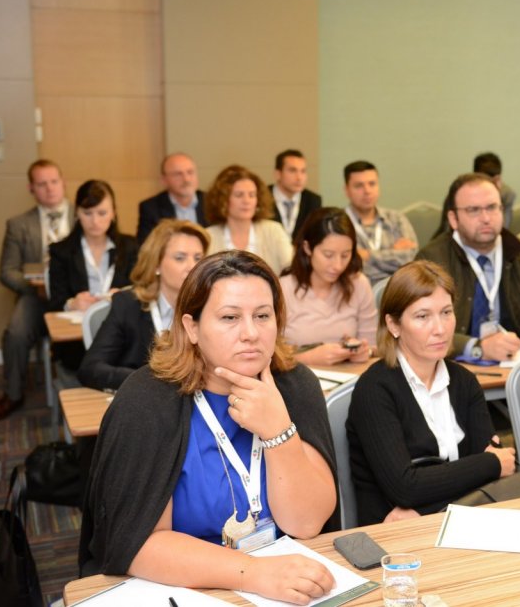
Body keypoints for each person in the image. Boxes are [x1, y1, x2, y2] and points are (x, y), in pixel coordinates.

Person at [79, 250, 338, 602]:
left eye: (263, 316)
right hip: (182, 588)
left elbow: (306, 524)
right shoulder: (147, 401)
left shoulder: (294, 385)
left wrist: (278, 431)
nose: (251, 333)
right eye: (230, 317)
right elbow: (137, 544)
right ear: (192, 327)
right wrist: (253, 573)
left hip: (284, 580)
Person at [346, 260, 517, 525]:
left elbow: (498, 474)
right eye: (422, 316)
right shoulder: (375, 389)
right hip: (391, 534)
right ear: (393, 325)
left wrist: (425, 505)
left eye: (446, 312)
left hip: (459, 522)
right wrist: (487, 464)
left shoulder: (464, 381)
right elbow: (405, 488)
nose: (440, 329)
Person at [417, 173, 520, 362]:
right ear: (453, 219)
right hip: (455, 365)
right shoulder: (432, 260)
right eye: (473, 210)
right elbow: (423, 327)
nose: (486, 218)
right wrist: (477, 347)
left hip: (516, 360)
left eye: (492, 207)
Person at [80, 220, 209, 390]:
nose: (192, 267)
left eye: (198, 258)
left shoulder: (211, 307)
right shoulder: (128, 305)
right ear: (156, 264)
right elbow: (91, 369)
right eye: (180, 258)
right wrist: (150, 381)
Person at [0, 160, 72, 422]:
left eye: (54, 182)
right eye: (42, 184)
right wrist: (35, 288)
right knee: (15, 333)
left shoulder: (85, 216)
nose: (50, 188)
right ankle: (13, 394)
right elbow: (7, 272)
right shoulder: (18, 225)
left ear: (63, 182)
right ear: (31, 188)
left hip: (76, 295)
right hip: (36, 297)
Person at [48, 180, 139, 374]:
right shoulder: (60, 251)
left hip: (122, 334)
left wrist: (123, 296)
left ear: (113, 213)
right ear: (77, 213)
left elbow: (142, 289)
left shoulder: (130, 246)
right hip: (78, 337)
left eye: (102, 213)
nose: (95, 221)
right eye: (87, 213)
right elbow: (55, 301)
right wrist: (72, 303)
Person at [279, 208, 376, 367]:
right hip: (298, 377)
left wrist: (365, 352)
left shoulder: (358, 284)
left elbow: (373, 345)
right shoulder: (283, 289)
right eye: (328, 255)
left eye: (345, 255)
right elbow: (268, 356)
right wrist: (307, 358)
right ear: (307, 248)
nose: (338, 265)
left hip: (350, 377)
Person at [206, 165, 294, 274]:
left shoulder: (274, 231)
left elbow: (292, 272)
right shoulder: (208, 236)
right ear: (223, 200)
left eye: (252, 195)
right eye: (239, 195)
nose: (246, 201)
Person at [343, 160, 418, 285]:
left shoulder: (396, 219)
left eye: (372, 184)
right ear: (346, 190)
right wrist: (393, 254)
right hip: (355, 290)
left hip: (397, 290)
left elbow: (411, 258)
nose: (367, 191)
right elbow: (347, 266)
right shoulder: (338, 223)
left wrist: (367, 256)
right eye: (359, 186)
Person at [137, 153, 207, 245]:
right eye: (178, 174)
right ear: (164, 180)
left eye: (190, 172)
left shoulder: (211, 202)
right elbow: (146, 246)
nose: (186, 179)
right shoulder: (151, 208)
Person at [267, 149, 322, 238]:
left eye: (303, 171)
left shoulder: (313, 200)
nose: (299, 177)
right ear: (278, 174)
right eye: (292, 171)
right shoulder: (262, 196)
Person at [473, 152, 517, 228]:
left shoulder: (506, 194)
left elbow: (503, 228)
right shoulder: (462, 195)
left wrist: (496, 197)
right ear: (476, 176)